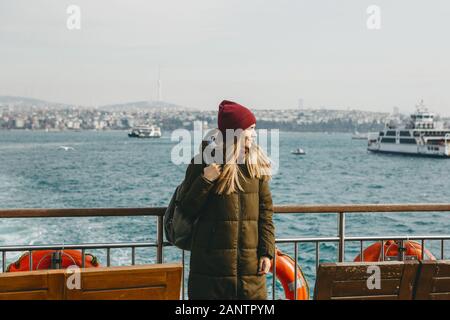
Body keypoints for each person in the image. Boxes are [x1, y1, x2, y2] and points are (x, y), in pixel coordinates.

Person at [178, 100, 275, 300]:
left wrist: (267, 252)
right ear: (236, 132)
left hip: (250, 274)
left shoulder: (256, 164)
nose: (254, 134)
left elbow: (266, 213)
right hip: (210, 275)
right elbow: (186, 209)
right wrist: (205, 180)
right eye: (251, 129)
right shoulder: (203, 162)